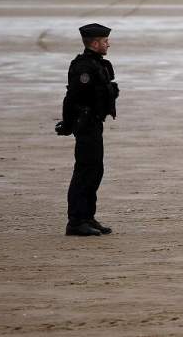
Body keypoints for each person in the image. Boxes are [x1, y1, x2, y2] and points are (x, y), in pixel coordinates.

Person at [55, 23, 119, 236]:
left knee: (95, 170)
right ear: (94, 43)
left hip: (95, 123)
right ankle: (75, 221)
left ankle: (87, 216)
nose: (108, 44)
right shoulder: (83, 67)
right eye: (104, 41)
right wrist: (67, 124)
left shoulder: (98, 64)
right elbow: (72, 97)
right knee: (85, 171)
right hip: (85, 124)